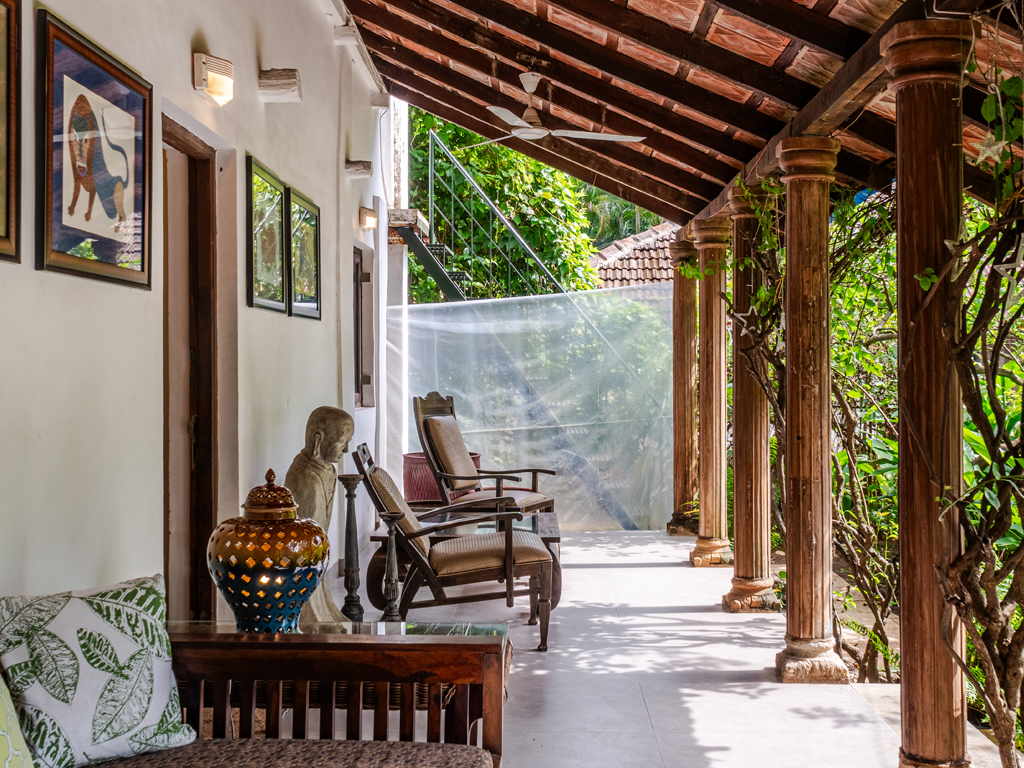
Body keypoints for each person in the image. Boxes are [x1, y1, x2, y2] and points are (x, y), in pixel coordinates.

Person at [285, 406, 354, 624]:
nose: (346, 450)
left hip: (317, 555)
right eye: (342, 442)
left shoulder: (327, 470)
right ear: (318, 440)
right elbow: (304, 543)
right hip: (302, 563)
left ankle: (325, 609)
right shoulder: (306, 477)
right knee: (311, 559)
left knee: (318, 558)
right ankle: (310, 616)